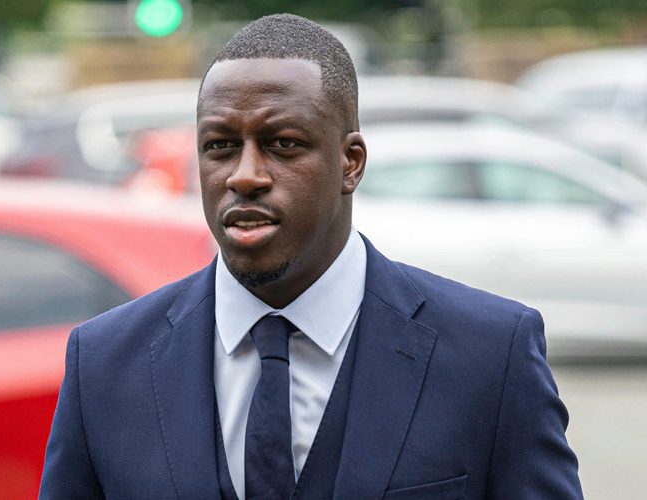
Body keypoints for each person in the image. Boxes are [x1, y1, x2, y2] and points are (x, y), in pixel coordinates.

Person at [40, 14, 583, 499]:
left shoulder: (489, 354)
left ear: (351, 163)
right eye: (220, 146)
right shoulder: (106, 362)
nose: (244, 175)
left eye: (283, 143)